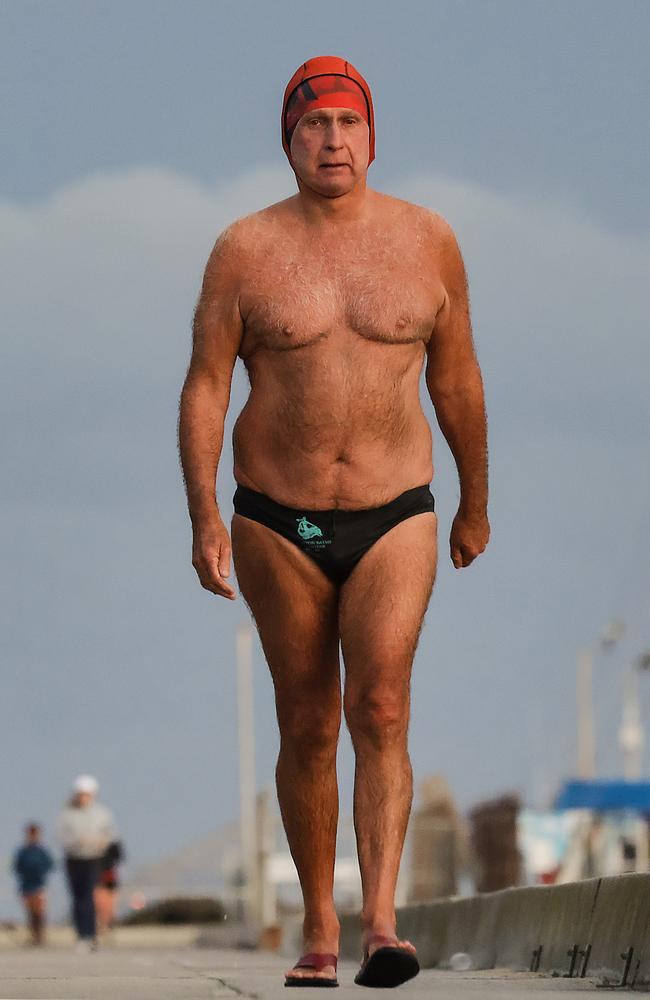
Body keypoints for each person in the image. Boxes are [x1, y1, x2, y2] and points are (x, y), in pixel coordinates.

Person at [179, 55, 489, 988]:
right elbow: (205, 386)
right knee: (308, 719)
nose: (333, 141)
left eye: (348, 124)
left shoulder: (428, 240)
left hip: (396, 512)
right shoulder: (244, 250)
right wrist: (204, 515)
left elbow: (458, 378)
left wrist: (477, 497)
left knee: (381, 706)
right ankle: (320, 924)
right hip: (281, 520)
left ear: (372, 136)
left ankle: (382, 925)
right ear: (289, 140)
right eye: (314, 126)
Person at [56, 775, 117, 950]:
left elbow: (110, 835)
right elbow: (61, 837)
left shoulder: (102, 813)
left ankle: (91, 935)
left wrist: (100, 842)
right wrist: (78, 841)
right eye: (81, 794)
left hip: (93, 859)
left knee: (89, 897)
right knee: (77, 897)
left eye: (87, 794)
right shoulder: (67, 814)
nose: (83, 798)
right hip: (74, 859)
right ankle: (81, 935)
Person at [12, 823, 54, 945]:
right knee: (30, 912)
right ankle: (33, 936)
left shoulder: (42, 851)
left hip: (39, 885)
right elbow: (17, 867)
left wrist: (40, 872)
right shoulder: (22, 851)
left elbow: (50, 865)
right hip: (26, 885)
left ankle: (41, 936)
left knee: (40, 912)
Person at [94, 839, 124, 936]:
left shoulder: (112, 845)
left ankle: (108, 928)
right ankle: (101, 928)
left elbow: (120, 856)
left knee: (109, 907)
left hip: (109, 879)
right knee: (99, 906)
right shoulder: (92, 845)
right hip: (97, 879)